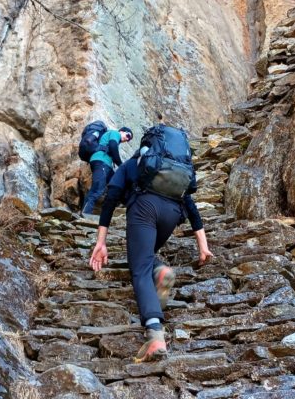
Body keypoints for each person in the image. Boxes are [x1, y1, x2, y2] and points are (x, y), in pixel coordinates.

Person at [89, 149, 214, 363]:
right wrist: (203, 246)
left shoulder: (132, 164)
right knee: (144, 258)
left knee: (140, 269)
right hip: (172, 214)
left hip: (144, 209)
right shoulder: (172, 172)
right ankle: (160, 270)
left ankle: (155, 333)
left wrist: (101, 242)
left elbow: (111, 198)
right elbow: (191, 207)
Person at [81, 126, 133, 218]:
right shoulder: (115, 133)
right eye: (128, 135)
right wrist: (121, 165)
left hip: (106, 165)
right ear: (122, 131)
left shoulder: (114, 137)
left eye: (129, 140)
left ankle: (127, 206)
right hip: (101, 162)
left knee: (117, 185)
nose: (127, 139)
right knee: (97, 189)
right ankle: (84, 215)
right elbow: (113, 146)